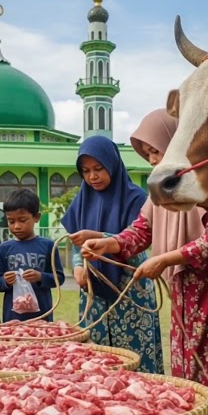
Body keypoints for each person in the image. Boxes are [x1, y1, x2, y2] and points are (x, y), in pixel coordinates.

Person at [80, 110, 208, 415]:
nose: (151, 159)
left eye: (155, 150)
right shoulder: (161, 187)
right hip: (185, 287)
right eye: (146, 153)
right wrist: (110, 243)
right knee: (187, 358)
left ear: (175, 142)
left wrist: (164, 259)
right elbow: (141, 231)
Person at [63, 136, 163, 375]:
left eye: (99, 169)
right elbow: (77, 243)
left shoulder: (136, 198)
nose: (92, 177)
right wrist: (78, 266)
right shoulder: (82, 200)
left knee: (134, 353)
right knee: (97, 357)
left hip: (130, 287)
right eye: (86, 171)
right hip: (93, 287)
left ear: (113, 165)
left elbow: (138, 239)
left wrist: (99, 235)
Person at [0, 188, 63, 322]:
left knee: (41, 342)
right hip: (13, 316)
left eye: (22, 220)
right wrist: (5, 281)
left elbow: (59, 278)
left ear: (36, 217)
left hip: (42, 315)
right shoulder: (4, 248)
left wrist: (40, 277)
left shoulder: (48, 246)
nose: (17, 226)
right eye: (11, 221)